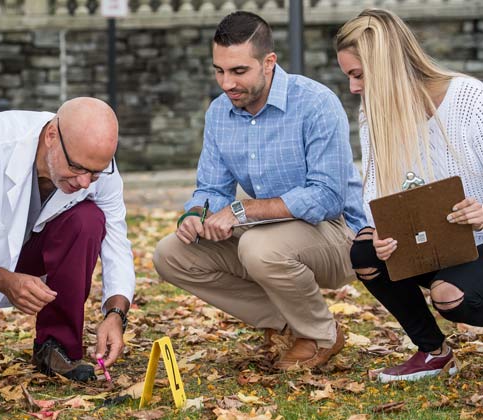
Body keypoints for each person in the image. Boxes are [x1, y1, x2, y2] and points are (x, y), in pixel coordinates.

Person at [153, 11, 366, 371]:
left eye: (238, 71)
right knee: (170, 254)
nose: (226, 83)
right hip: (267, 237)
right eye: (219, 70)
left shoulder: (316, 103)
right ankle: (285, 324)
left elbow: (327, 197)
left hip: (340, 236)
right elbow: (211, 189)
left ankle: (321, 334)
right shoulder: (220, 113)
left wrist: (243, 212)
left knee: (259, 246)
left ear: (269, 63)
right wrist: (195, 216)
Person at [0, 97, 136, 384]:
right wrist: (4, 280)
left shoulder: (95, 162)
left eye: (95, 173)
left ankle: (56, 347)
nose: (85, 182)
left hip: (35, 253)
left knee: (88, 220)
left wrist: (115, 313)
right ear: (51, 137)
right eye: (78, 168)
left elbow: (116, 239)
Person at [336, 8, 483, 382]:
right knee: (365, 249)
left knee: (449, 296)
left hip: (480, 242)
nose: (353, 88)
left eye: (358, 75)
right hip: (436, 243)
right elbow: (376, 193)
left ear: (383, 64)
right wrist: (381, 232)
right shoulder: (374, 113)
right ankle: (434, 353)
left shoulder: (469, 99)